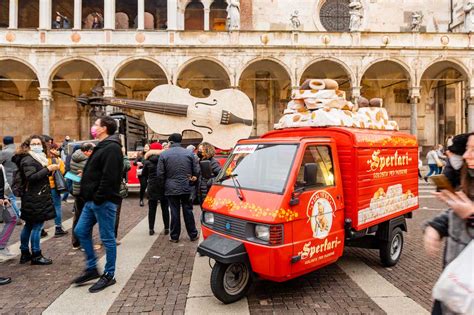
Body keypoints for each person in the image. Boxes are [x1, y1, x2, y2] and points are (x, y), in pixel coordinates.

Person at [424, 132, 474, 315]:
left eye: (473, 150)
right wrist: (436, 227)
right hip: (456, 279)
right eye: (467, 149)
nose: (466, 155)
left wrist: (471, 215)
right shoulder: (468, 177)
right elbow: (455, 212)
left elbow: (466, 211)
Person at [73, 116, 123, 293]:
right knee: (80, 231)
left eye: (96, 124)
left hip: (103, 201)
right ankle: (92, 268)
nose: (93, 127)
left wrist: (99, 196)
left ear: (104, 128)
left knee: (107, 238)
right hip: (92, 201)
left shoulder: (112, 148)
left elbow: (110, 177)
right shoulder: (102, 145)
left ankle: (109, 275)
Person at [13, 135, 57, 265]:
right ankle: (36, 255)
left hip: (36, 195)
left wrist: (48, 171)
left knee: (29, 225)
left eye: (39, 143)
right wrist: (47, 169)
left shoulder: (37, 157)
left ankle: (25, 253)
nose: (37, 145)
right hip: (34, 196)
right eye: (34, 143)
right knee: (37, 226)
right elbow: (31, 177)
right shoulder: (28, 159)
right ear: (28, 145)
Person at [157, 133, 199, 243]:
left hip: (171, 187)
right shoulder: (189, 153)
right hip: (186, 185)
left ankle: (174, 236)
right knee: (188, 210)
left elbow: (160, 174)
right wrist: (193, 180)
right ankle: (193, 234)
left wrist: (163, 187)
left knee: (174, 212)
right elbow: (196, 170)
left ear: (170, 142)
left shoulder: (164, 154)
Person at [70, 142, 94, 249]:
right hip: (86, 192)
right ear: (87, 151)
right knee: (87, 218)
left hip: (77, 191)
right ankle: (85, 242)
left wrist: (78, 179)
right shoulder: (88, 160)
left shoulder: (73, 158)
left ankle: (75, 242)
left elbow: (68, 174)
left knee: (77, 217)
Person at [142, 142, 169, 236]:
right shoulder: (165, 160)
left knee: (152, 209)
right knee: (165, 208)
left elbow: (144, 175)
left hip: (152, 186)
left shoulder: (147, 162)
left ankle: (151, 229)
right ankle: (166, 228)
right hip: (163, 186)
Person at [48, 143, 68, 237]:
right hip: (54, 187)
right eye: (56, 149)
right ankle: (58, 227)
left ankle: (41, 229)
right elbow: (63, 172)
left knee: (42, 208)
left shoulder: (42, 159)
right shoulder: (58, 160)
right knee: (57, 206)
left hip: (43, 188)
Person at [0, 136, 21, 222]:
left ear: (4, 143)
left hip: (7, 178)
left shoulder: (4, 152)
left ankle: (17, 216)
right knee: (12, 198)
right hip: (17, 177)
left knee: (11, 198)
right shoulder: (18, 151)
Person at [0, 164, 17, 259]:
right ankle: (1, 245)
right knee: (12, 218)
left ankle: (2, 245)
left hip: (4, 197)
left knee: (12, 218)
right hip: (2, 198)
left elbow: (3, 183)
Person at [115, 150, 131, 243]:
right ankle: (112, 237)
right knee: (115, 214)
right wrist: (123, 155)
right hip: (116, 188)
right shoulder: (117, 156)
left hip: (102, 189)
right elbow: (127, 166)